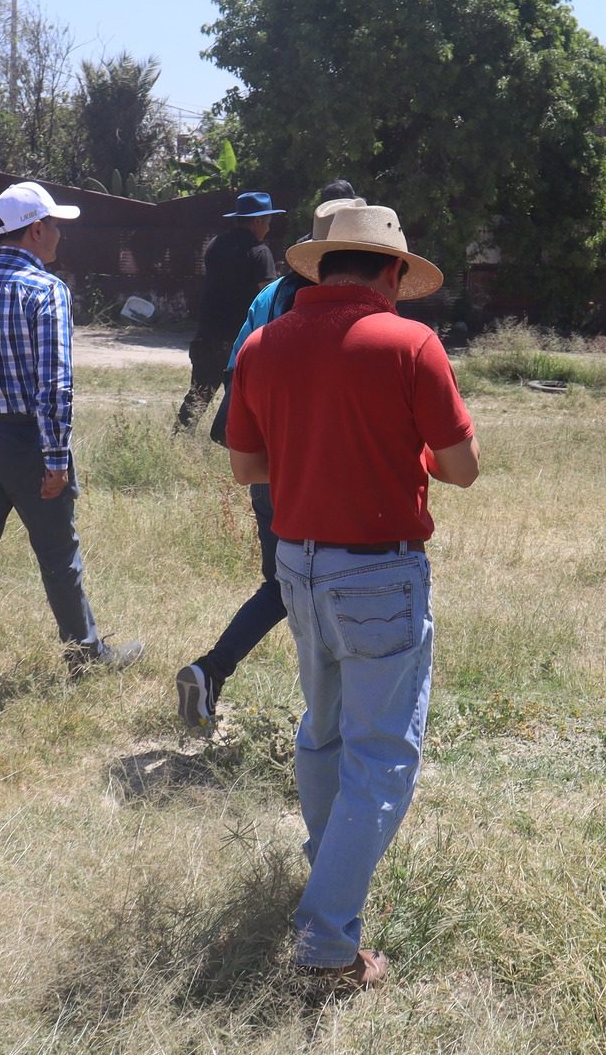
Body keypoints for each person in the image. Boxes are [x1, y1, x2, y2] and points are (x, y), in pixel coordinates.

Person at [226, 203, 480, 989]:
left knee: (324, 733)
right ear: (392, 272)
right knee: (382, 757)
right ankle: (328, 941)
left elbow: (246, 469)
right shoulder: (411, 343)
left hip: (297, 567)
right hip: (380, 572)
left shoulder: (264, 345)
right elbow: (462, 465)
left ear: (320, 266)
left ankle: (327, 865)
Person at [0, 181, 144, 706]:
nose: (60, 236)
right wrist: (56, 457)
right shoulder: (45, 291)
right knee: (58, 552)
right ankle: (84, 654)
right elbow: (54, 384)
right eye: (56, 226)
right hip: (21, 438)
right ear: (37, 229)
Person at [177, 182, 361, 728]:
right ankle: (341, 718)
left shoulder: (272, 294)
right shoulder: (358, 304)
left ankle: (211, 671)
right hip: (329, 469)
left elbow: (240, 371)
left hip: (269, 468)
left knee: (285, 585)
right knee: (347, 582)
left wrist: (258, 451)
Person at [175, 189, 279, 432]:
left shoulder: (216, 245)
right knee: (243, 401)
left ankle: (178, 439)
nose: (269, 228)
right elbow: (267, 295)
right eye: (268, 222)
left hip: (208, 333)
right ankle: (236, 446)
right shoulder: (260, 252)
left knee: (198, 395)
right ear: (257, 221)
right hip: (239, 340)